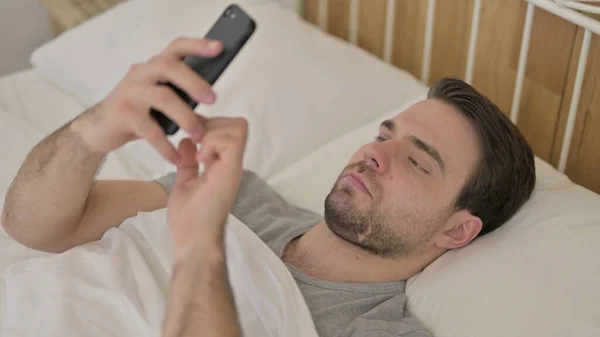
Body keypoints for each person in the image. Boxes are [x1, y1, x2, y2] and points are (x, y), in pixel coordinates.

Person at [2, 38, 536, 337]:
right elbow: (35, 225)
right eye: (383, 135)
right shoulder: (241, 194)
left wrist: (200, 245)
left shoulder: (378, 332)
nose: (375, 153)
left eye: (418, 162)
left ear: (458, 230)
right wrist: (93, 129)